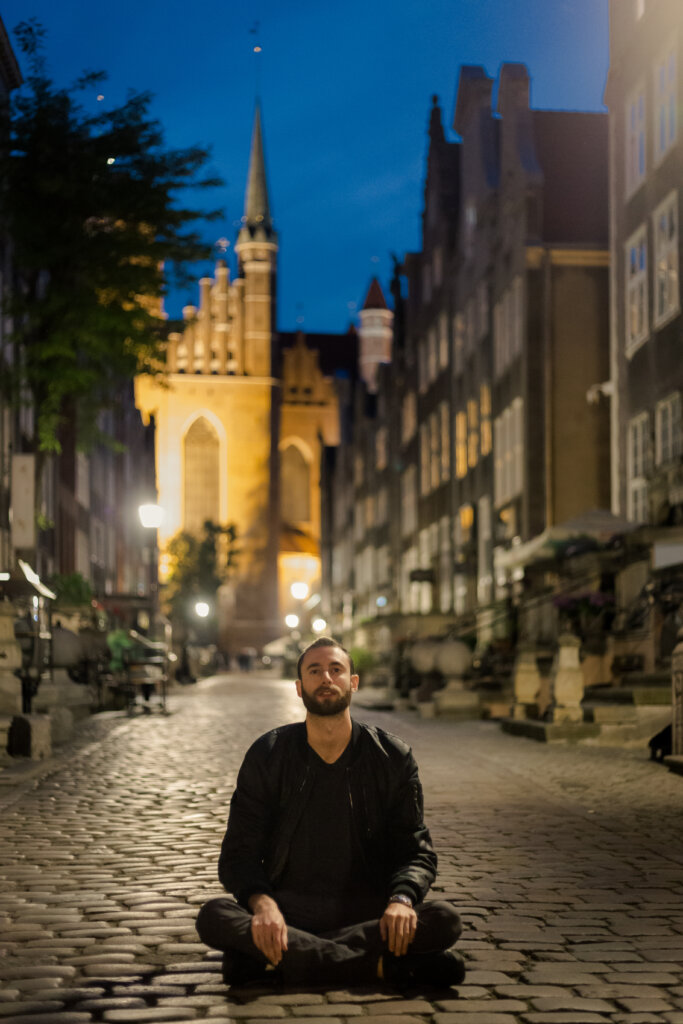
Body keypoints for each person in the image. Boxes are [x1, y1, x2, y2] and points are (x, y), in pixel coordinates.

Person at [196, 636, 464, 989]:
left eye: (336, 670)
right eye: (315, 670)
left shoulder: (392, 757)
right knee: (213, 916)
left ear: (353, 682)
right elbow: (238, 854)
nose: (326, 678)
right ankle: (383, 969)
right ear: (298, 687)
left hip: (369, 914)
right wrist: (264, 907)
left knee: (444, 919)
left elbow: (416, 849)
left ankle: (280, 961)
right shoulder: (268, 754)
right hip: (287, 914)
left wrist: (401, 900)